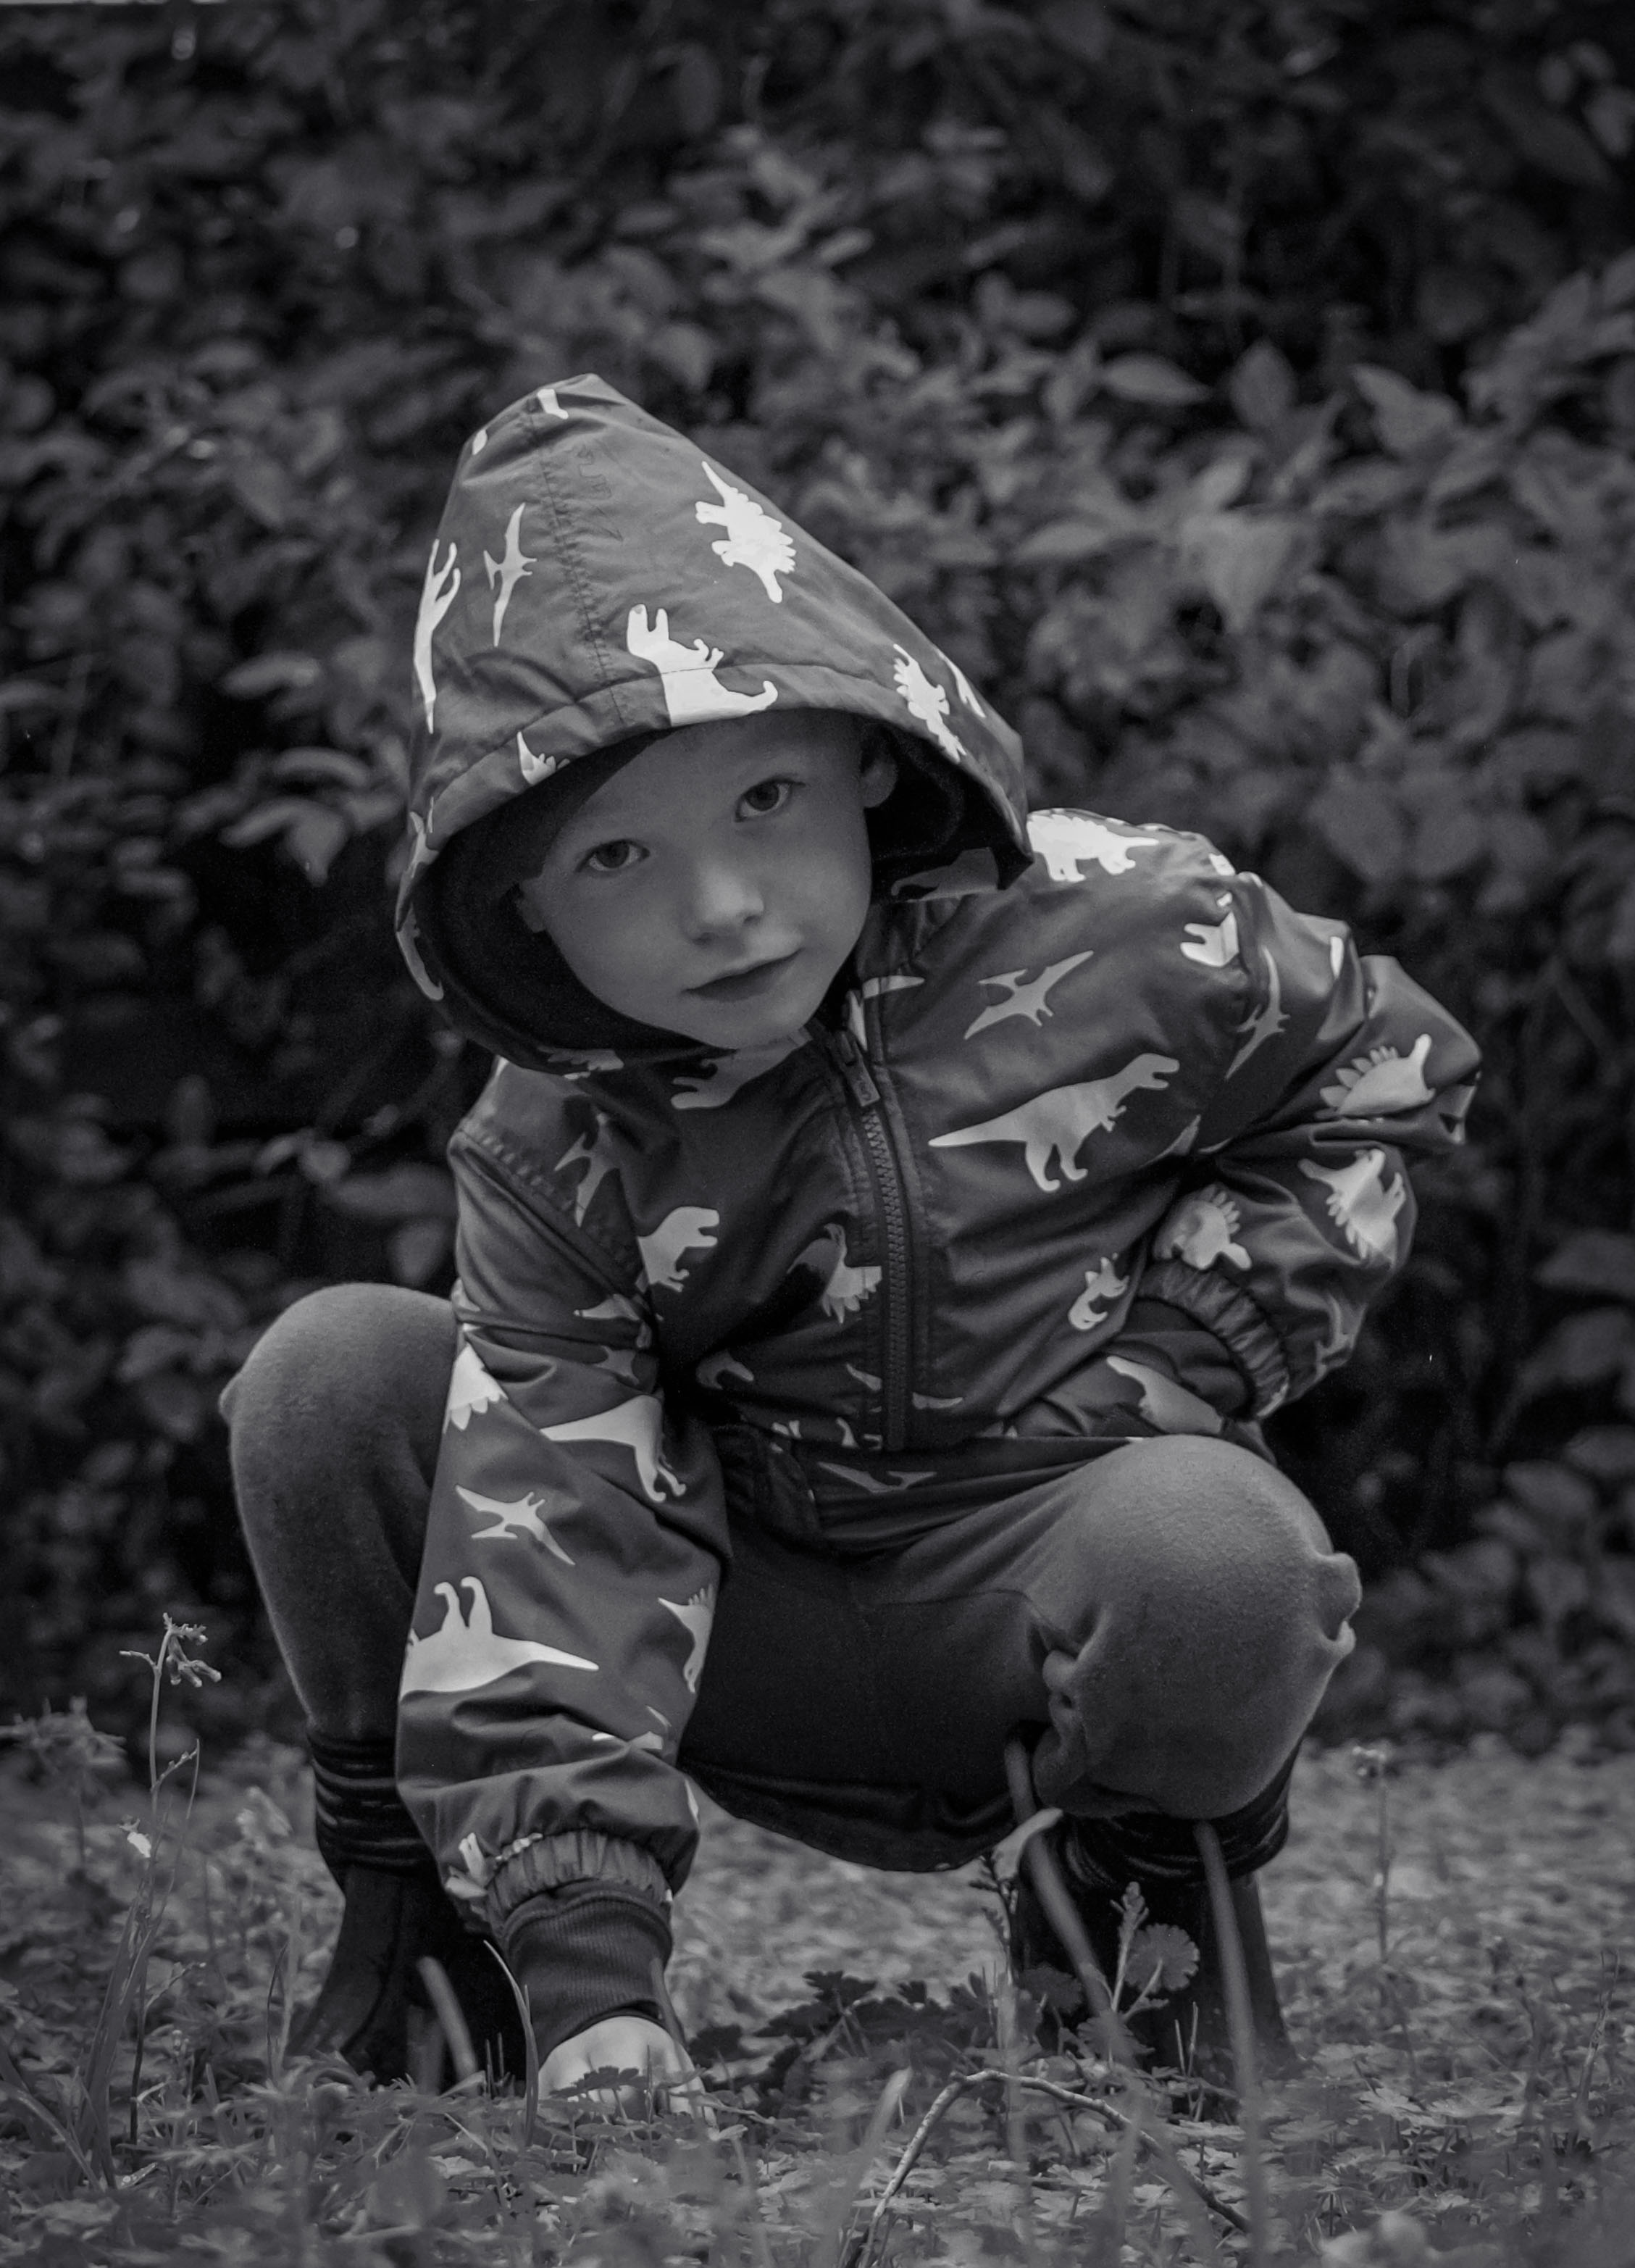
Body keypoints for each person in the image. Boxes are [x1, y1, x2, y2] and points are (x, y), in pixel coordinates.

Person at [221, 373, 1479, 2106]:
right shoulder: (556, 1132)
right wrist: (592, 1973)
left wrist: (1199, 1345)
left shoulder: (1127, 921)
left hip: (1041, 1575)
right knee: (333, 1371)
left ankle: (1137, 1922)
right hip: (735, 1616)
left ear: (869, 755)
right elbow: (558, 1506)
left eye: (762, 803)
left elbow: (1382, 1065)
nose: (722, 907)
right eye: (616, 855)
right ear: (519, 906)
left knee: (1221, 1552)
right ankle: (447, 1950)